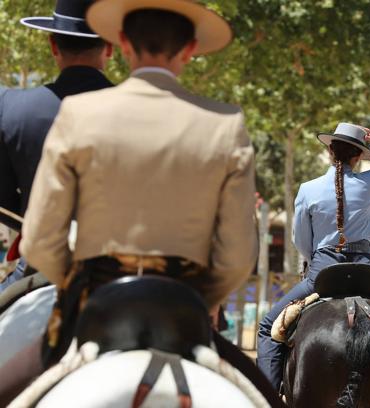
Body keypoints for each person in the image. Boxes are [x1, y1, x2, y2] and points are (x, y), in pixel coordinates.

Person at [1, 1, 282, 406]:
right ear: (188, 50)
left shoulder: (79, 114)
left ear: (124, 45)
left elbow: (40, 239)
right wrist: (198, 295)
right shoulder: (224, 124)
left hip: (95, 300)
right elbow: (238, 255)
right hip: (182, 306)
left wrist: (79, 281)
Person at [257, 122, 370, 390]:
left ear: (329, 152)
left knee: (267, 327)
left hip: (322, 270)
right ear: (358, 157)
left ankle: (267, 396)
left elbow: (300, 239)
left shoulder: (307, 189)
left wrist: (313, 261)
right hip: (366, 271)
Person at [0, 0, 113, 289]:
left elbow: (5, 201)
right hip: (120, 270)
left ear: (53, 46)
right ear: (110, 48)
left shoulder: (13, 109)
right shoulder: (142, 112)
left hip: (40, 269)